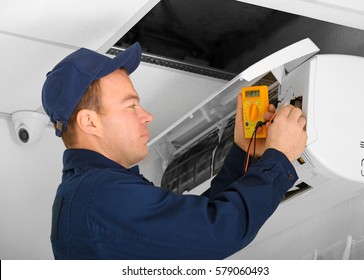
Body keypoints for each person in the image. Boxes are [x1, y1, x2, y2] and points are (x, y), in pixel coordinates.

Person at [42, 42, 307, 260]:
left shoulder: (92, 193)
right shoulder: (101, 195)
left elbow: (201, 223)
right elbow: (219, 231)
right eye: (131, 106)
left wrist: (242, 152)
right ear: (90, 122)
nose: (147, 116)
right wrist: (279, 156)